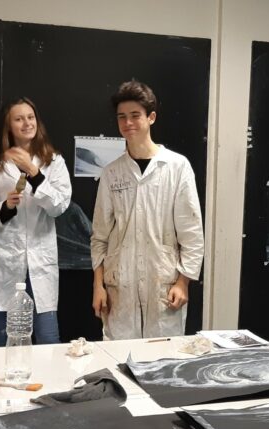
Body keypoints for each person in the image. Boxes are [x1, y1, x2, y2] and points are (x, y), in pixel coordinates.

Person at [90, 80, 204, 340]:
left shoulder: (176, 167)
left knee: (162, 355)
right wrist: (98, 286)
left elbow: (191, 233)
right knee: (120, 356)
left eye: (135, 115)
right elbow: (99, 237)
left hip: (163, 286)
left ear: (151, 117)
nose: (128, 122)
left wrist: (183, 282)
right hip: (120, 289)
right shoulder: (111, 173)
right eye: (122, 117)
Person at [0, 97, 71, 346]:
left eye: (30, 117)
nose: (26, 123)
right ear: (9, 126)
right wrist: (6, 207)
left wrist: (33, 172)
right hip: (1, 261)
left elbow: (59, 206)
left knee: (47, 338)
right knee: (2, 340)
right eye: (19, 119)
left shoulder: (53, 161)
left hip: (40, 261)